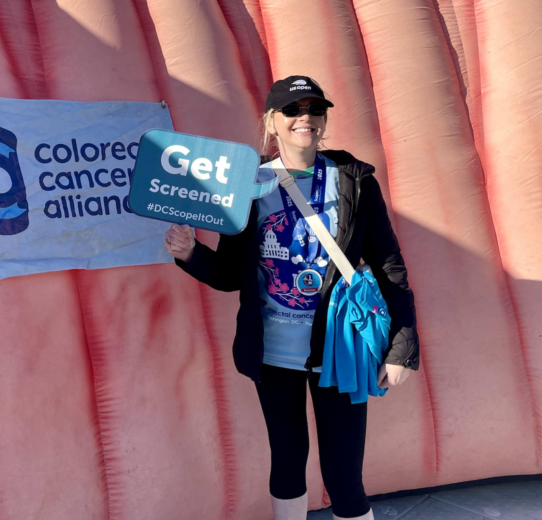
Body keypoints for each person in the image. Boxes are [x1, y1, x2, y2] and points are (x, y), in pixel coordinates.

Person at [163, 76, 419, 520]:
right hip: (274, 354)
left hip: (340, 351)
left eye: (315, 109)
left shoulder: (354, 181)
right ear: (271, 121)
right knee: (286, 460)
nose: (305, 118)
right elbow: (230, 276)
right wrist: (190, 254)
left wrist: (402, 347)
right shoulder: (247, 186)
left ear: (324, 120)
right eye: (293, 110)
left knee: (343, 473)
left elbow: (389, 266)